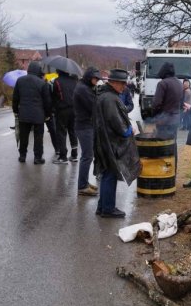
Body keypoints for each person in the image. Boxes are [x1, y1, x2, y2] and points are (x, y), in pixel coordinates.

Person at [93, 69, 141, 218]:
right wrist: (129, 131)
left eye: (124, 83)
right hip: (109, 143)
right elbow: (117, 124)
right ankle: (108, 209)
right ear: (112, 82)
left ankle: (102, 207)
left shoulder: (105, 95)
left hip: (104, 141)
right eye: (121, 83)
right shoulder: (110, 99)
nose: (124, 87)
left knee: (107, 173)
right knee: (110, 174)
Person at [12, 61, 52, 164]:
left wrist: (16, 111)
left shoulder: (20, 81)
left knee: (23, 136)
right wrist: (48, 114)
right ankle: (37, 157)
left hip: (23, 114)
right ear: (38, 70)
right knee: (38, 137)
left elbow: (15, 98)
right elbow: (47, 101)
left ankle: (22, 155)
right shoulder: (42, 83)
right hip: (38, 114)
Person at [73, 67, 103, 196]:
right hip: (84, 126)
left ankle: (84, 182)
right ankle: (82, 186)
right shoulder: (83, 90)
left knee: (88, 155)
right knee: (87, 156)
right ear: (89, 77)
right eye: (95, 79)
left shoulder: (84, 87)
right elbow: (93, 106)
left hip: (85, 125)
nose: (96, 81)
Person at [152, 62, 183, 169]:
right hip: (175, 120)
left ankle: (164, 172)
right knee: (173, 145)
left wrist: (155, 117)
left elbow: (156, 104)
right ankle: (172, 172)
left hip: (164, 122)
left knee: (163, 146)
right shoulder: (179, 83)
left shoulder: (162, 83)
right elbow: (181, 103)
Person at [51, 69, 79, 164]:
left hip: (62, 110)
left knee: (61, 132)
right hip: (74, 109)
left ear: (59, 71)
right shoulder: (74, 81)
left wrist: (54, 109)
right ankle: (74, 154)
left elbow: (54, 96)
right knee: (73, 131)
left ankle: (63, 156)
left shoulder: (57, 81)